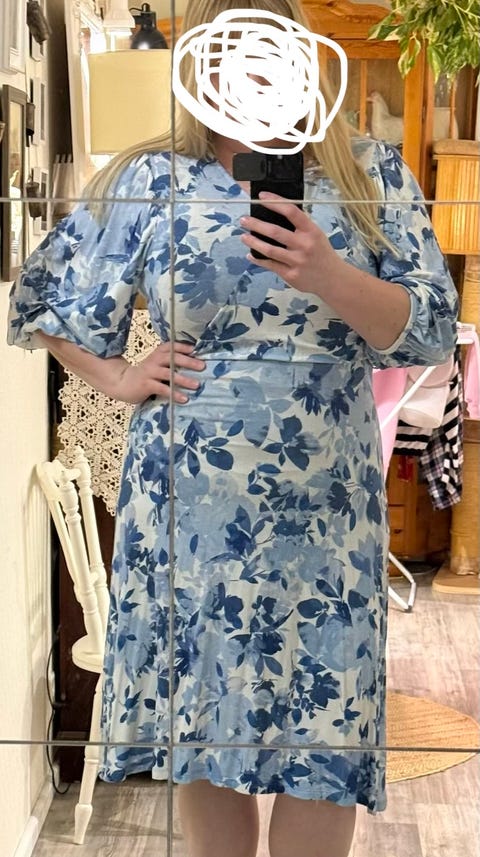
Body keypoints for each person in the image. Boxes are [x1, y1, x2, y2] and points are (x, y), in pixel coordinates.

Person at [8, 1, 458, 855]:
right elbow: (45, 297)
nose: (247, 70)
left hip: (325, 513)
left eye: (266, 49)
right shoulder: (152, 179)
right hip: (188, 510)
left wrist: (327, 272)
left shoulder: (369, 174)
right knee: (202, 729)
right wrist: (119, 375)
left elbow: (432, 327)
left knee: (323, 738)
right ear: (199, 66)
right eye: (227, 51)